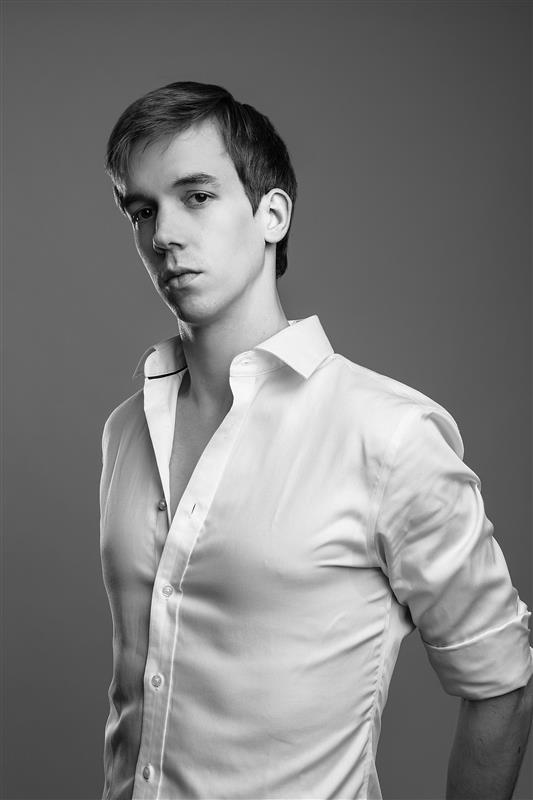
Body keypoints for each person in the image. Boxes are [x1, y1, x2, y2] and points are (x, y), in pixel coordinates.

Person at [99, 81, 533, 800]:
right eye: (141, 211)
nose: (163, 235)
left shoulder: (388, 435)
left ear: (272, 214)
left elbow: (502, 683)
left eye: (196, 196)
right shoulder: (126, 429)